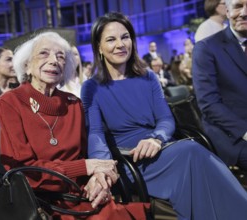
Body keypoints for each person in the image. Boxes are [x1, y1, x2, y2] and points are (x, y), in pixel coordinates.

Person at [81, 12, 247, 220]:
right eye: (111, 39)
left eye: (125, 37)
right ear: (99, 47)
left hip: (161, 148)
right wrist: (103, 169)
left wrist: (156, 138)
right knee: (192, 150)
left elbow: (165, 119)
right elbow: (95, 134)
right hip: (131, 159)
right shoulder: (91, 87)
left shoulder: (148, 77)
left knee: (192, 154)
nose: (120, 44)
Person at [0, 31, 146, 219]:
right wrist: (84, 168)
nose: (54, 60)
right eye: (44, 53)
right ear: (27, 66)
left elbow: (88, 154)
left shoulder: (73, 103)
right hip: (43, 201)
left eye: (60, 56)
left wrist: (98, 179)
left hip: (83, 194)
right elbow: (25, 172)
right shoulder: (10, 102)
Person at [192, 0, 247, 170]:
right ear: (227, 10)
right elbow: (209, 104)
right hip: (233, 134)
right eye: (238, 6)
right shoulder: (206, 48)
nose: (244, 13)